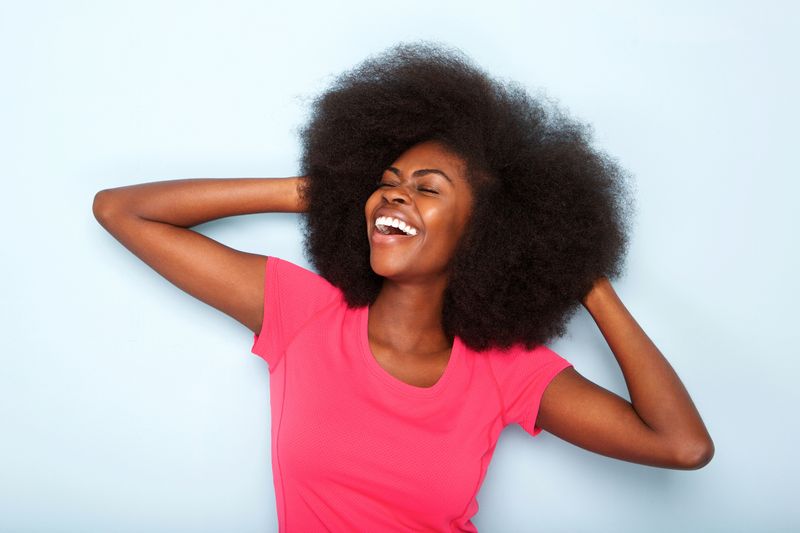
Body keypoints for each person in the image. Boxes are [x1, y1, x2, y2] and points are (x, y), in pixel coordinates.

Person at [93, 41, 714, 532]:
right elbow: (121, 210)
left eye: (427, 187)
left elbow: (682, 446)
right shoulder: (302, 313)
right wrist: (319, 192)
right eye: (387, 179)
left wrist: (581, 275)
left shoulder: (505, 372)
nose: (395, 193)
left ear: (486, 232)